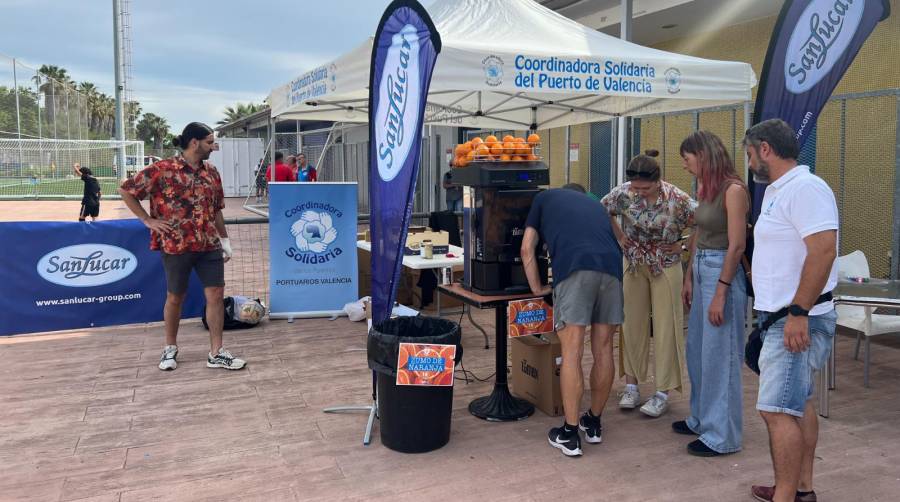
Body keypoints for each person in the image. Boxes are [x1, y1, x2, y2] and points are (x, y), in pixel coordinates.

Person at [743, 119, 838, 502]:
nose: (749, 163)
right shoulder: (778, 191)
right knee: (798, 405)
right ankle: (800, 488)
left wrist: (798, 312)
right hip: (781, 318)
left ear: (765, 149)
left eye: (750, 155)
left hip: (796, 320)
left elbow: (823, 250)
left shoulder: (805, 189)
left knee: (776, 411)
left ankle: (787, 495)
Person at [118, 122, 246, 372]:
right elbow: (126, 190)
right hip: (175, 244)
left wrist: (225, 240)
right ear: (194, 143)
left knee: (216, 295)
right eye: (210, 142)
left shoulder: (212, 172)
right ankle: (170, 347)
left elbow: (216, 209)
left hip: (208, 244)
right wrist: (147, 220)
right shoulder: (162, 169)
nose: (213, 146)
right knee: (175, 296)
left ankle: (217, 352)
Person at [522, 183, 624, 457]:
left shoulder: (543, 198)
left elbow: (526, 249)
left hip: (576, 268)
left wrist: (537, 289)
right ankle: (593, 422)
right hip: (612, 269)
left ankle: (569, 433)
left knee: (572, 353)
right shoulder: (596, 204)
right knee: (603, 350)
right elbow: (619, 239)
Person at [601, 150, 694, 418]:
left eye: (645, 187)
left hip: (665, 265)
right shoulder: (623, 193)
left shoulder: (677, 198)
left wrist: (683, 245)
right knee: (631, 323)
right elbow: (602, 209)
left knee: (667, 327)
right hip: (633, 263)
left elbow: (703, 221)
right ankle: (631, 385)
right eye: (635, 187)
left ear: (657, 181)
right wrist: (619, 236)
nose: (639, 192)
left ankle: (662, 392)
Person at [675, 130, 750, 457]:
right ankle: (702, 418)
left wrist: (720, 292)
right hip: (703, 268)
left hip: (722, 272)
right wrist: (689, 275)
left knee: (721, 356)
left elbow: (737, 246)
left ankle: (722, 436)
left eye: (687, 158)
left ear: (703, 155)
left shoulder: (734, 190)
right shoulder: (706, 188)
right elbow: (698, 233)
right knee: (698, 351)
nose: (685, 165)